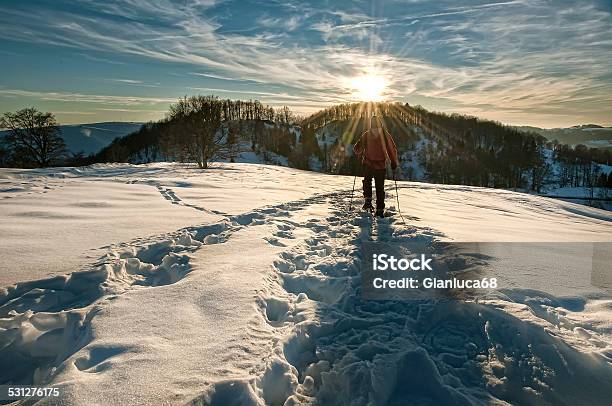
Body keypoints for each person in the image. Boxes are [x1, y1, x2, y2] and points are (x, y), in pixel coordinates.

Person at [353, 115, 399, 218]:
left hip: (368, 163)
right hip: (380, 165)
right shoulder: (385, 135)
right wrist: (393, 162)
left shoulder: (367, 134)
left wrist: (358, 149)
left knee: (367, 182)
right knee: (379, 187)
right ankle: (379, 209)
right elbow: (392, 149)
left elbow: (357, 149)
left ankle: (368, 202)